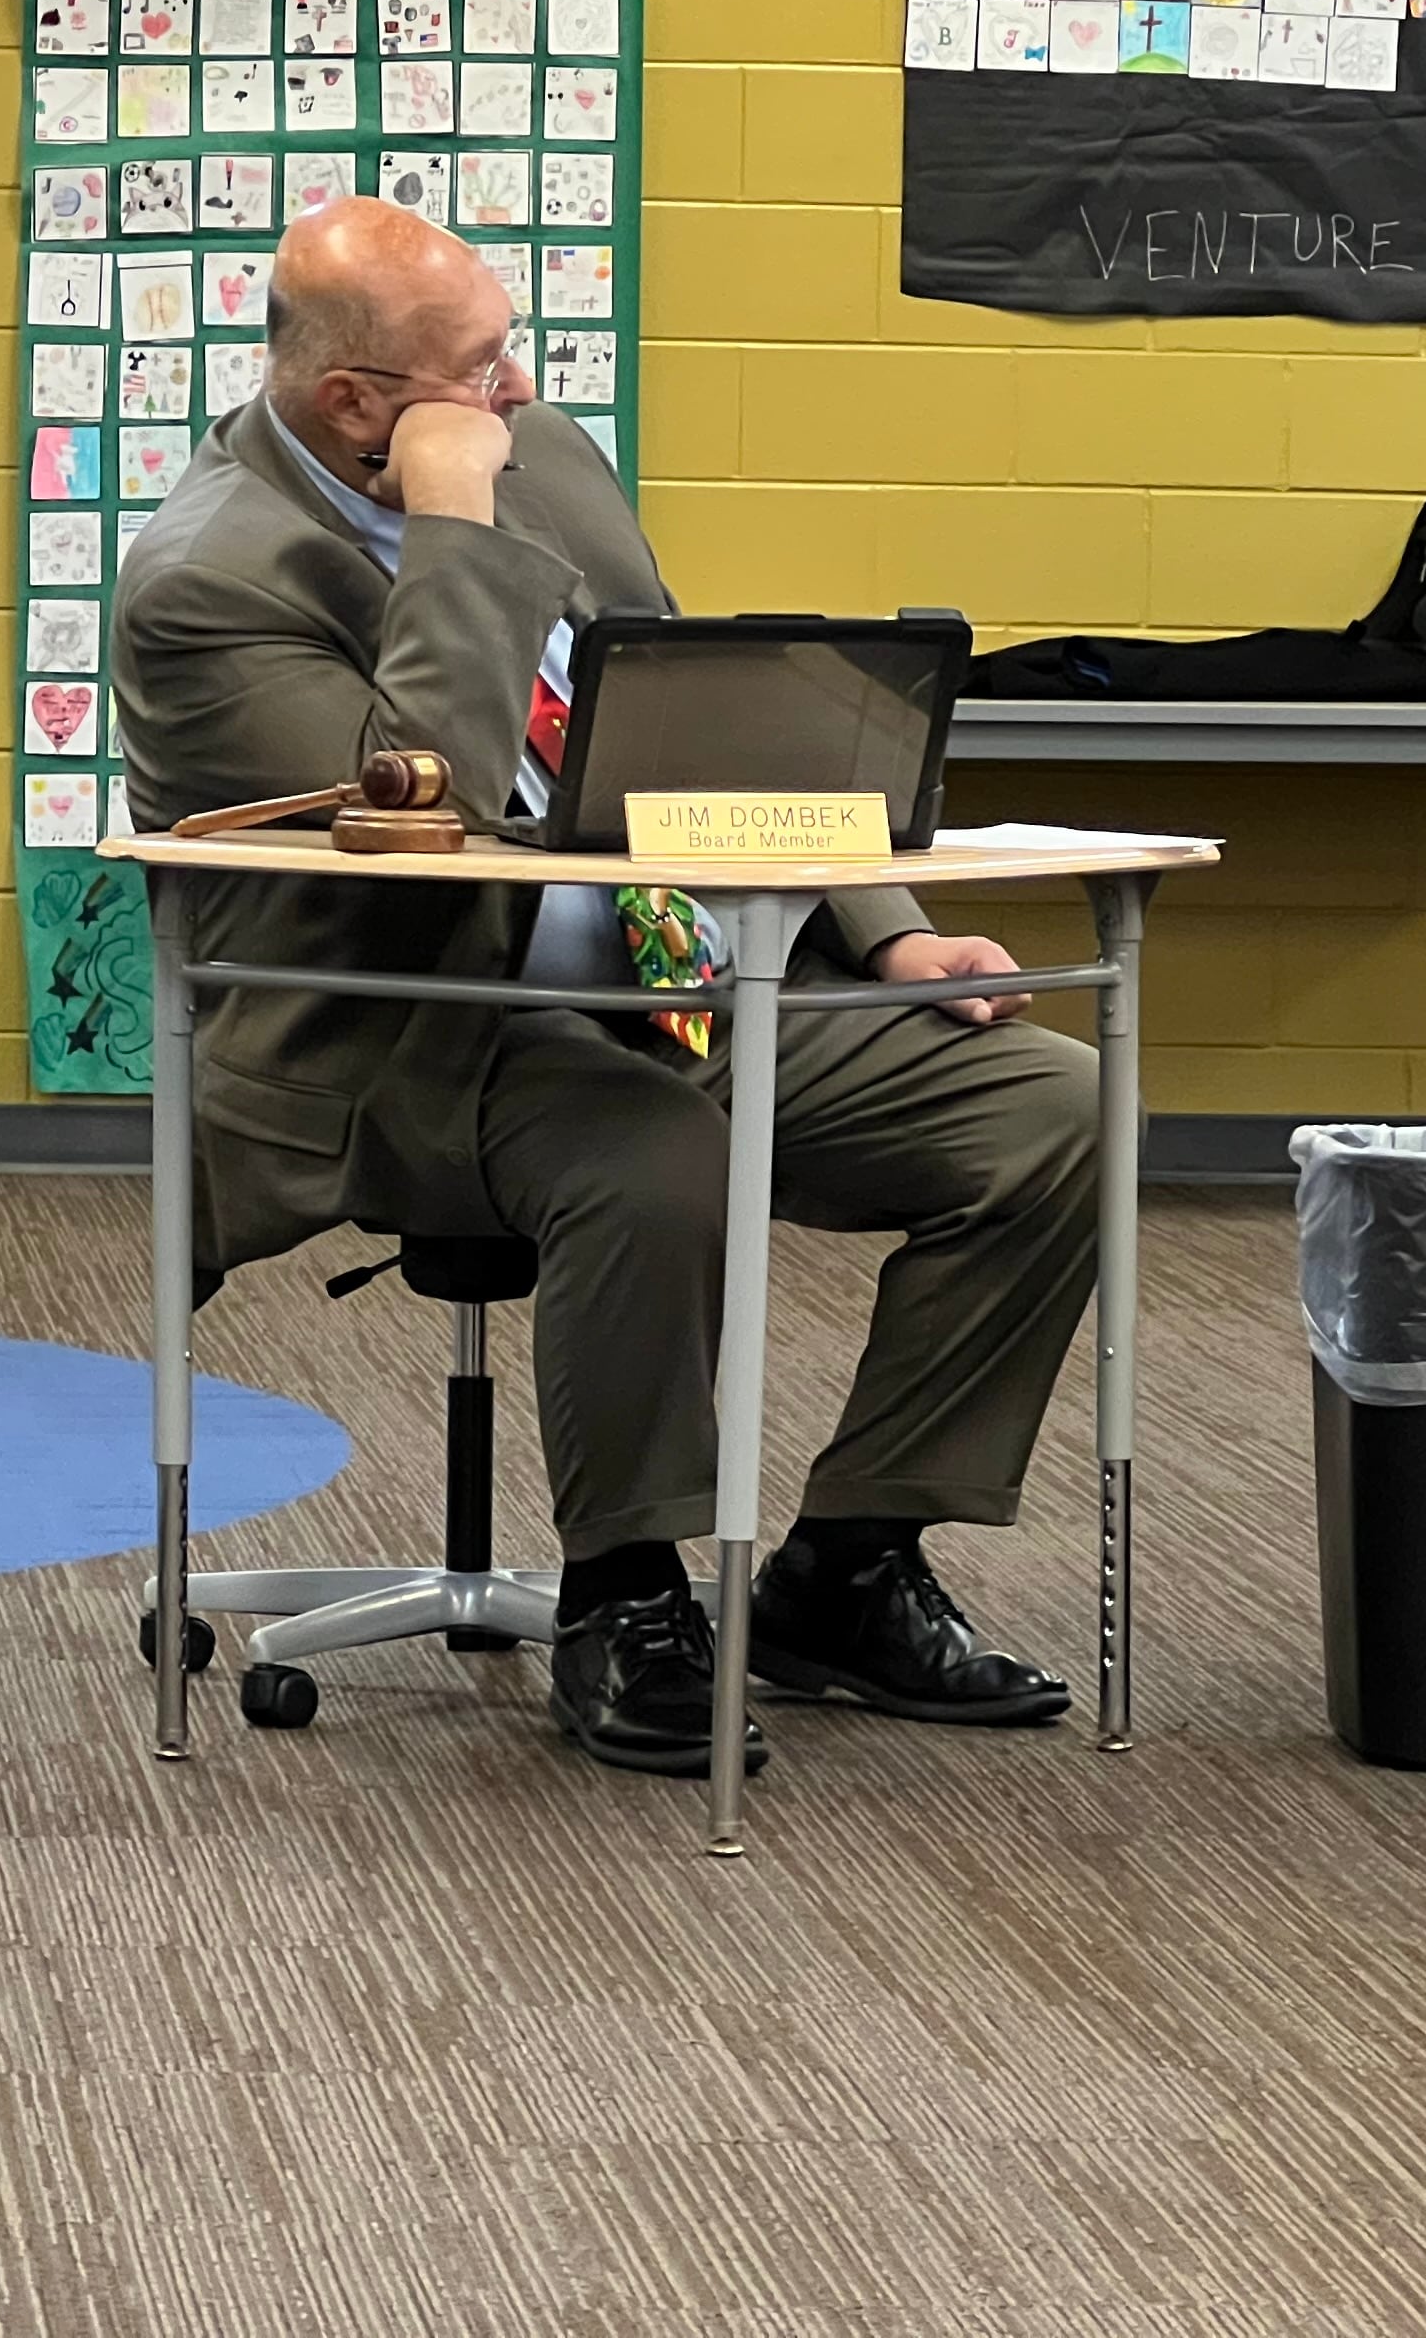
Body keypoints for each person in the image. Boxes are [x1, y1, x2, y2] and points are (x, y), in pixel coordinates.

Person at [111, 200, 1098, 1779]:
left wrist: (892, 930)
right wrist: (454, 537)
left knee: (1050, 1109)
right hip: (406, 1033)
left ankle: (845, 1569)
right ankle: (626, 1597)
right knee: (655, 1153)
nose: (515, 394)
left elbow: (689, 722)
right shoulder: (203, 583)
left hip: (666, 981)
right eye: (479, 370)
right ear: (356, 404)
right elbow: (420, 827)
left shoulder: (544, 453)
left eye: (512, 352)